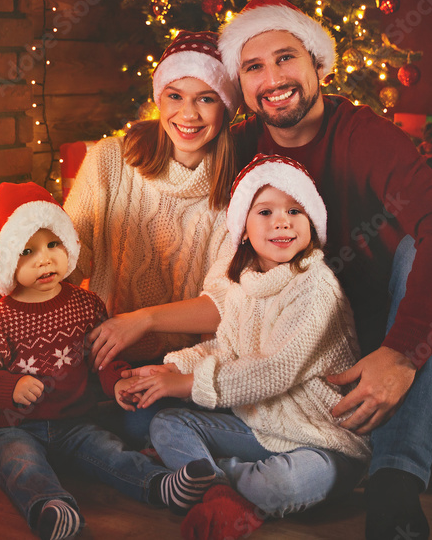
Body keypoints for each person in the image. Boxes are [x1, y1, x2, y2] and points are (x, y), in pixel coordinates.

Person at [90, 0, 432, 539]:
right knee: (139, 418)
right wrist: (142, 318)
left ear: (317, 64)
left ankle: (394, 484)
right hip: (292, 356)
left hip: (393, 338)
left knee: (420, 248)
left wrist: (400, 354)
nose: (272, 78)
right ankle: (427, 443)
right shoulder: (240, 146)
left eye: (286, 57)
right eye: (254, 67)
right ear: (241, 85)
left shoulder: (364, 135)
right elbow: (183, 142)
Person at [122, 154, 371, 540]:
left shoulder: (316, 286)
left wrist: (186, 385)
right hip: (257, 424)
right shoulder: (245, 281)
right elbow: (227, 349)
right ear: (242, 229)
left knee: (275, 487)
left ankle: (203, 476)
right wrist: (173, 369)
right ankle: (218, 490)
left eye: (295, 211)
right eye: (265, 212)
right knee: (166, 422)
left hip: (321, 438)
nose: (282, 221)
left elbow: (272, 370)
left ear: (312, 223)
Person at [0, 182, 218, 540]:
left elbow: (104, 356)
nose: (45, 258)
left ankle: (160, 486)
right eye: (27, 251)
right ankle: (52, 508)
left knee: (111, 451)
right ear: (5, 262)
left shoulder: (85, 304)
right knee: (21, 464)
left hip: (73, 421)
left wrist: (119, 381)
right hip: (13, 427)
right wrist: (9, 386)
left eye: (53, 244)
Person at [63, 30, 240, 364]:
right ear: (159, 100)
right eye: (175, 96)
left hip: (177, 368)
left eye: (206, 98)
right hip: (97, 351)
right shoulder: (110, 160)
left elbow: (224, 303)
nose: (188, 115)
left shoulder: (238, 193)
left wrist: (142, 320)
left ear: (226, 108)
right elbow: (67, 255)